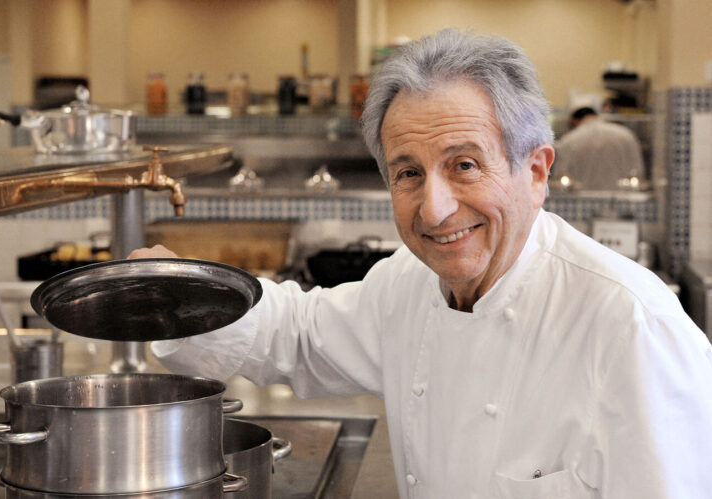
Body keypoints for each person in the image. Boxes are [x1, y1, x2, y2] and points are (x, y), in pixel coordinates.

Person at [131, 28, 712, 498]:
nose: (435, 210)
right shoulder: (409, 285)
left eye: (465, 165)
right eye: (409, 173)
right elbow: (299, 333)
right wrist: (184, 294)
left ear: (535, 173)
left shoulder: (634, 330)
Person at [554, 106, 645, 190]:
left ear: (573, 120)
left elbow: (560, 177)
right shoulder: (626, 135)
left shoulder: (569, 140)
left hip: (582, 198)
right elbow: (638, 171)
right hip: (623, 197)